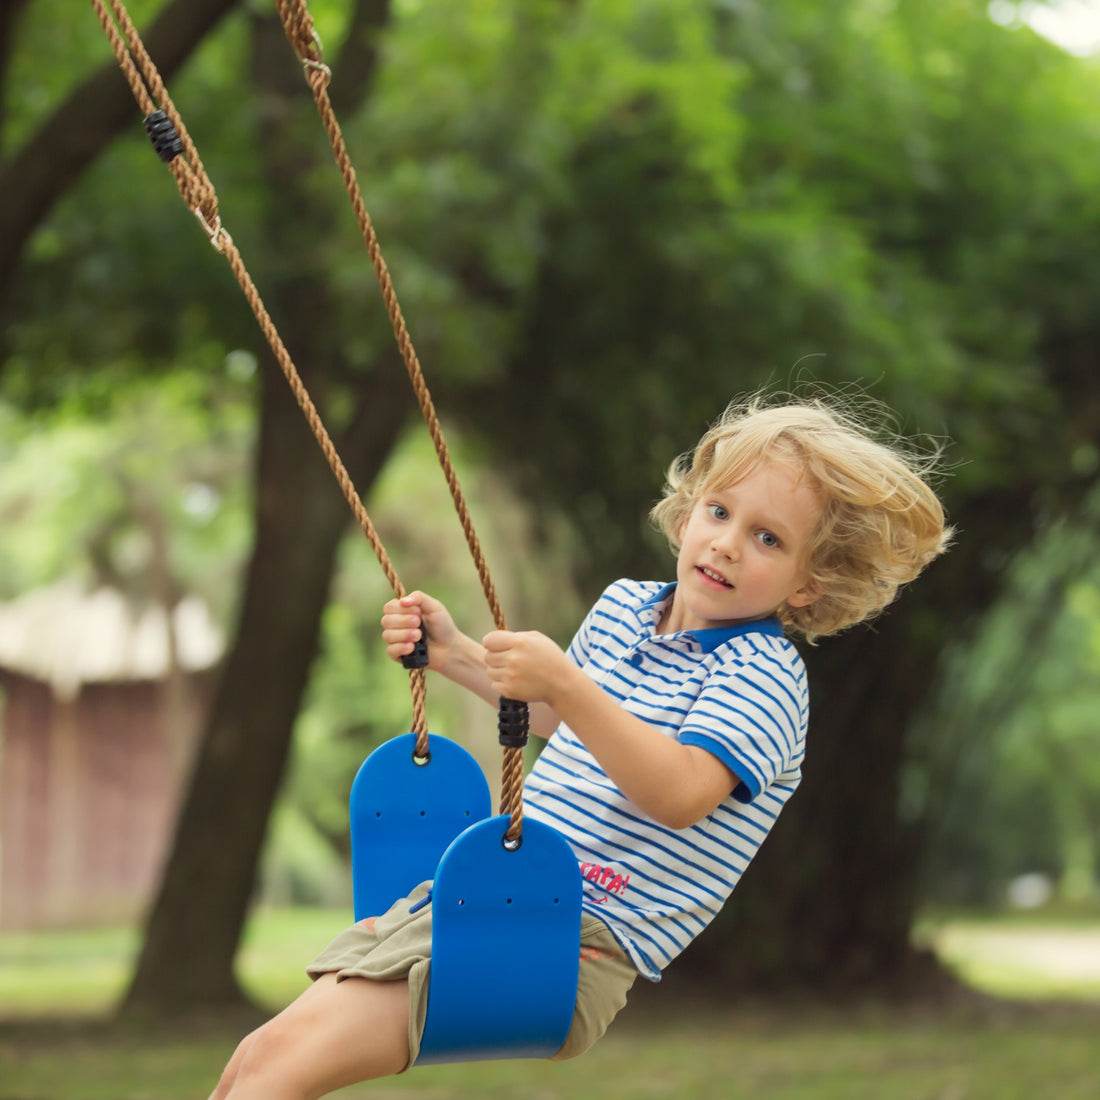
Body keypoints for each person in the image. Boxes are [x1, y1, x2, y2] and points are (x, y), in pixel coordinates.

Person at [210, 391, 953, 1099]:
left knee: (278, 1077)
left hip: (566, 943)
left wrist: (570, 686)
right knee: (257, 1064)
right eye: (719, 512)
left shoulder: (763, 676)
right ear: (689, 512)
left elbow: (680, 793)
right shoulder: (628, 608)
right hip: (481, 900)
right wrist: (457, 654)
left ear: (807, 584)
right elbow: (566, 724)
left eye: (767, 538)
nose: (726, 544)